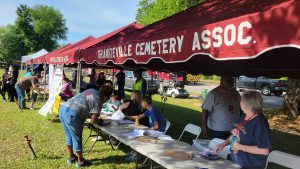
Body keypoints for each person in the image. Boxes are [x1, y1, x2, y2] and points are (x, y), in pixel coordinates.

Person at [214, 90, 271, 169]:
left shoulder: (260, 122)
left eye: (241, 100)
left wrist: (240, 147)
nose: (240, 102)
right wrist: (223, 145)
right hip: (235, 162)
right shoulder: (244, 116)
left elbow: (264, 151)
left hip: (249, 166)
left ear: (246, 104)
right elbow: (236, 134)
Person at [59, 86, 112, 167]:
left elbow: (85, 106)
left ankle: (72, 157)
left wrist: (94, 118)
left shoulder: (92, 90)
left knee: (69, 136)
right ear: (105, 97)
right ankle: (80, 161)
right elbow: (94, 120)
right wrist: (98, 121)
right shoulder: (98, 100)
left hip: (63, 109)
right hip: (73, 114)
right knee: (77, 138)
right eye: (108, 98)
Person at [201, 76, 241, 140]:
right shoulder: (214, 93)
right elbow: (205, 110)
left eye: (232, 81)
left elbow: (240, 107)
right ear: (221, 81)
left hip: (234, 130)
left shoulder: (235, 92)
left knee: (231, 149)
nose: (231, 83)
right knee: (216, 149)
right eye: (228, 81)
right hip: (217, 131)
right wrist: (204, 126)